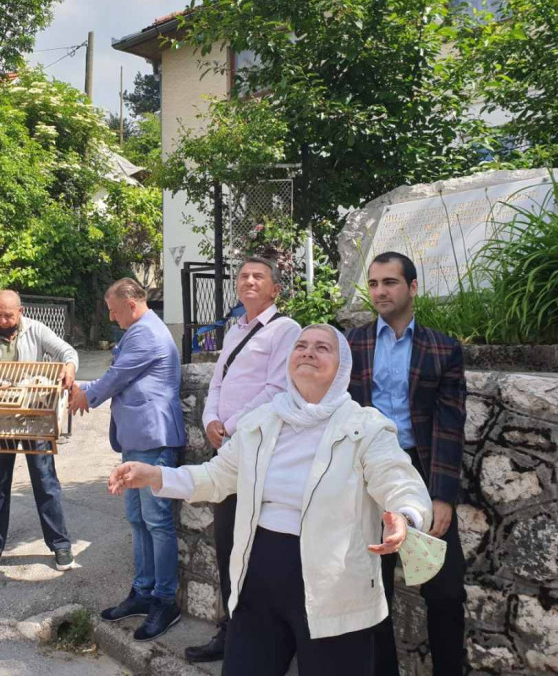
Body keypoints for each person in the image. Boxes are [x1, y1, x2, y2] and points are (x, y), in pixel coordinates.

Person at [110, 325, 432, 676]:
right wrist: (156, 475)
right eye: (301, 346)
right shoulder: (261, 422)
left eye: (322, 347)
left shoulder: (366, 427)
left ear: (343, 367)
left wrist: (406, 515)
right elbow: (216, 476)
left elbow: (399, 480)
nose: (308, 352)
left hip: (333, 587)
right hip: (257, 576)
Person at [347, 251, 467, 676]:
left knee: (446, 589)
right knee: (373, 587)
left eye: (390, 283)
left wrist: (442, 497)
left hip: (421, 468)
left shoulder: (442, 348)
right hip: (366, 472)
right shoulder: (353, 344)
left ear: (412, 287)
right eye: (374, 283)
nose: (380, 291)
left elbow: (450, 427)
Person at [186, 256, 302, 664]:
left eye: (259, 276)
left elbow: (276, 389)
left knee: (256, 548)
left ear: (275, 289)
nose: (249, 281)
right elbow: (217, 382)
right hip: (228, 448)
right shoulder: (236, 330)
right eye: (243, 276)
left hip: (259, 452)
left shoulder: (285, 330)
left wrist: (230, 424)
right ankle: (230, 631)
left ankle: (256, 638)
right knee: (226, 543)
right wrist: (211, 419)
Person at [70, 278, 185, 642]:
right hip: (138, 440)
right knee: (138, 519)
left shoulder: (145, 333)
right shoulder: (139, 330)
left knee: (157, 521)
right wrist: (80, 389)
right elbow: (116, 378)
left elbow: (117, 377)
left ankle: (165, 601)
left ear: (131, 304)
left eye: (114, 309)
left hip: (154, 439)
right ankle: (143, 592)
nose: (111, 316)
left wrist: (86, 396)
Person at [0, 290, 78, 579]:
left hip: (34, 417)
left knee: (45, 481)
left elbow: (67, 352)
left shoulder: (37, 330)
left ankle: (60, 543)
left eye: (9, 314)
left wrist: (69, 366)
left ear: (20, 311)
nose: (4, 320)